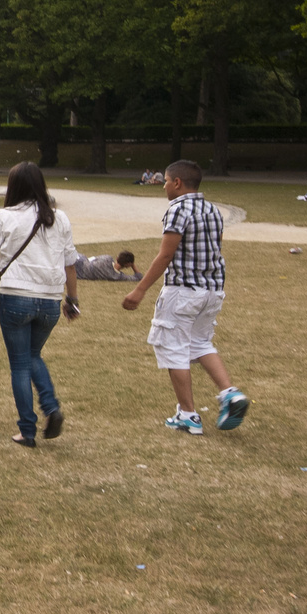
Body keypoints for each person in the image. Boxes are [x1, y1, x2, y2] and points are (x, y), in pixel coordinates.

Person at [122, 160, 250, 435]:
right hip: (212, 290)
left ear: (177, 183)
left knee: (174, 349)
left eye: (166, 181)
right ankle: (230, 393)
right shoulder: (212, 210)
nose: (164, 186)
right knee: (200, 343)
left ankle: (188, 415)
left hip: (183, 291)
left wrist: (140, 289)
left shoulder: (178, 209)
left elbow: (166, 254)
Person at [0, 162, 79, 447]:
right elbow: (70, 262)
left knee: (20, 364)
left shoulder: (6, 216)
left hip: (16, 296)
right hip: (49, 299)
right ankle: (50, 407)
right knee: (33, 355)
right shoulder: (59, 218)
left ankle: (27, 429)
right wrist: (72, 299)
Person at [73, 249, 141, 281]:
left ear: (117, 258)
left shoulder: (107, 258)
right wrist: (133, 265)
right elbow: (139, 277)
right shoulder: (116, 276)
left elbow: (91, 259)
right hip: (79, 273)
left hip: (81, 260)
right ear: (128, 265)